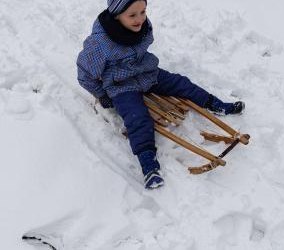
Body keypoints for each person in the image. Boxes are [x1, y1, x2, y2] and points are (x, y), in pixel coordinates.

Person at [77, 0, 245, 189]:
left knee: (181, 83)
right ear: (116, 15)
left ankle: (216, 104)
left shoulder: (143, 25)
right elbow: (84, 74)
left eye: (143, 12)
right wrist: (102, 94)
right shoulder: (99, 44)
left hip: (146, 72)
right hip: (121, 85)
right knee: (137, 118)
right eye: (132, 15)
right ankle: (149, 165)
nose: (139, 19)